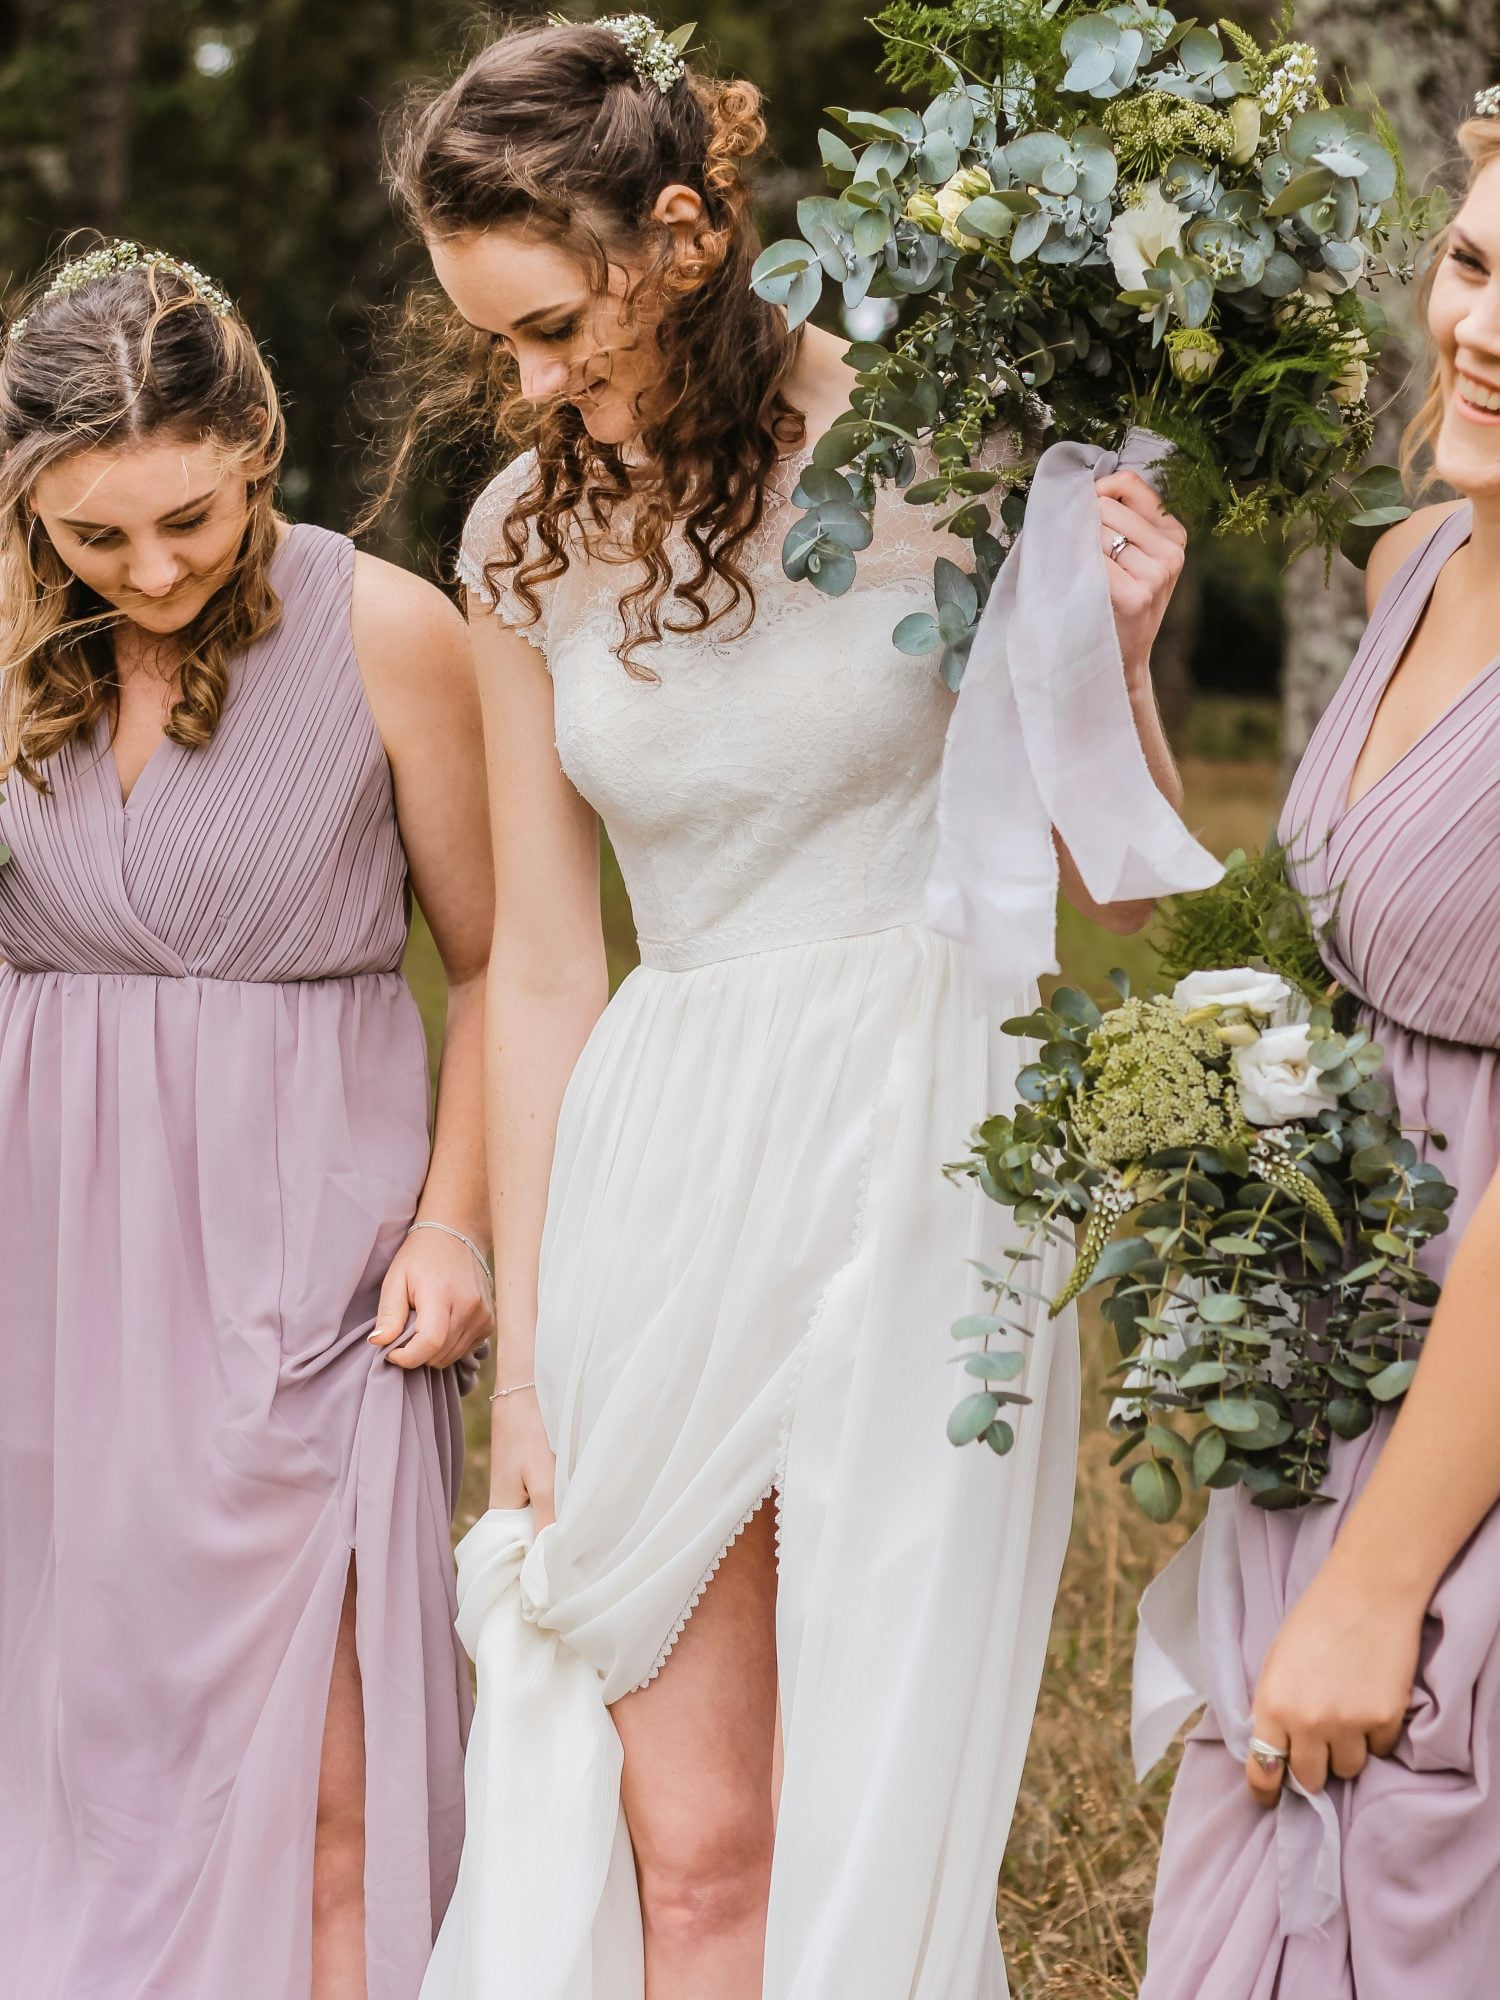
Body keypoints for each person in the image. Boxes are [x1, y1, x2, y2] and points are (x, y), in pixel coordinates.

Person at [389, 19, 1189, 1998]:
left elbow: (1117, 888)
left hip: (927, 1149)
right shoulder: (517, 541)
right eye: (498, 343)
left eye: (554, 325)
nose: (532, 381)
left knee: (878, 1806)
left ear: (682, 235)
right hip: (669, 1153)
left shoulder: (953, 452)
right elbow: (547, 962)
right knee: (698, 1835)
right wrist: (534, 1368)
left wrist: (1119, 652)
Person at [0, 242, 494, 2000]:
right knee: (73, 1760)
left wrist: (456, 1220)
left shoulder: (390, 630)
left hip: (311, 1270)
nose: (153, 571)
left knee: (328, 1787)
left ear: (259, 445)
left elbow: (496, 964)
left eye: (191, 519)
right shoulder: (7, 649)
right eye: (95, 536)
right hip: (51, 1277)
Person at [1137, 101, 1500, 2000]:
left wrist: (1379, 1583)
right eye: (1474, 263)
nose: (1483, 331)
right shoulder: (1417, 564)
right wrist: (1131, 662)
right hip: (1347, 1344)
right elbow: (1287, 950)